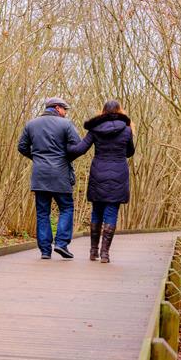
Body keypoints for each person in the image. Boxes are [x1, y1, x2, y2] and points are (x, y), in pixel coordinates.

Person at [68, 100, 135, 263]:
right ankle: (105, 254)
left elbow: (80, 149)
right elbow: (129, 152)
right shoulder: (126, 130)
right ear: (120, 111)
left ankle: (93, 251)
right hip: (119, 173)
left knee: (96, 211)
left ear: (102, 112)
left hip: (98, 172)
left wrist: (59, 148)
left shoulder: (95, 129)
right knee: (111, 212)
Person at [18, 97, 82, 259]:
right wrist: (65, 158)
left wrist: (37, 158)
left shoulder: (31, 124)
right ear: (58, 108)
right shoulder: (66, 125)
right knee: (66, 208)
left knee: (42, 213)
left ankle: (45, 251)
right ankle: (61, 243)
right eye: (64, 110)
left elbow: (22, 147)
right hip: (60, 174)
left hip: (40, 175)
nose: (66, 113)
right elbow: (78, 146)